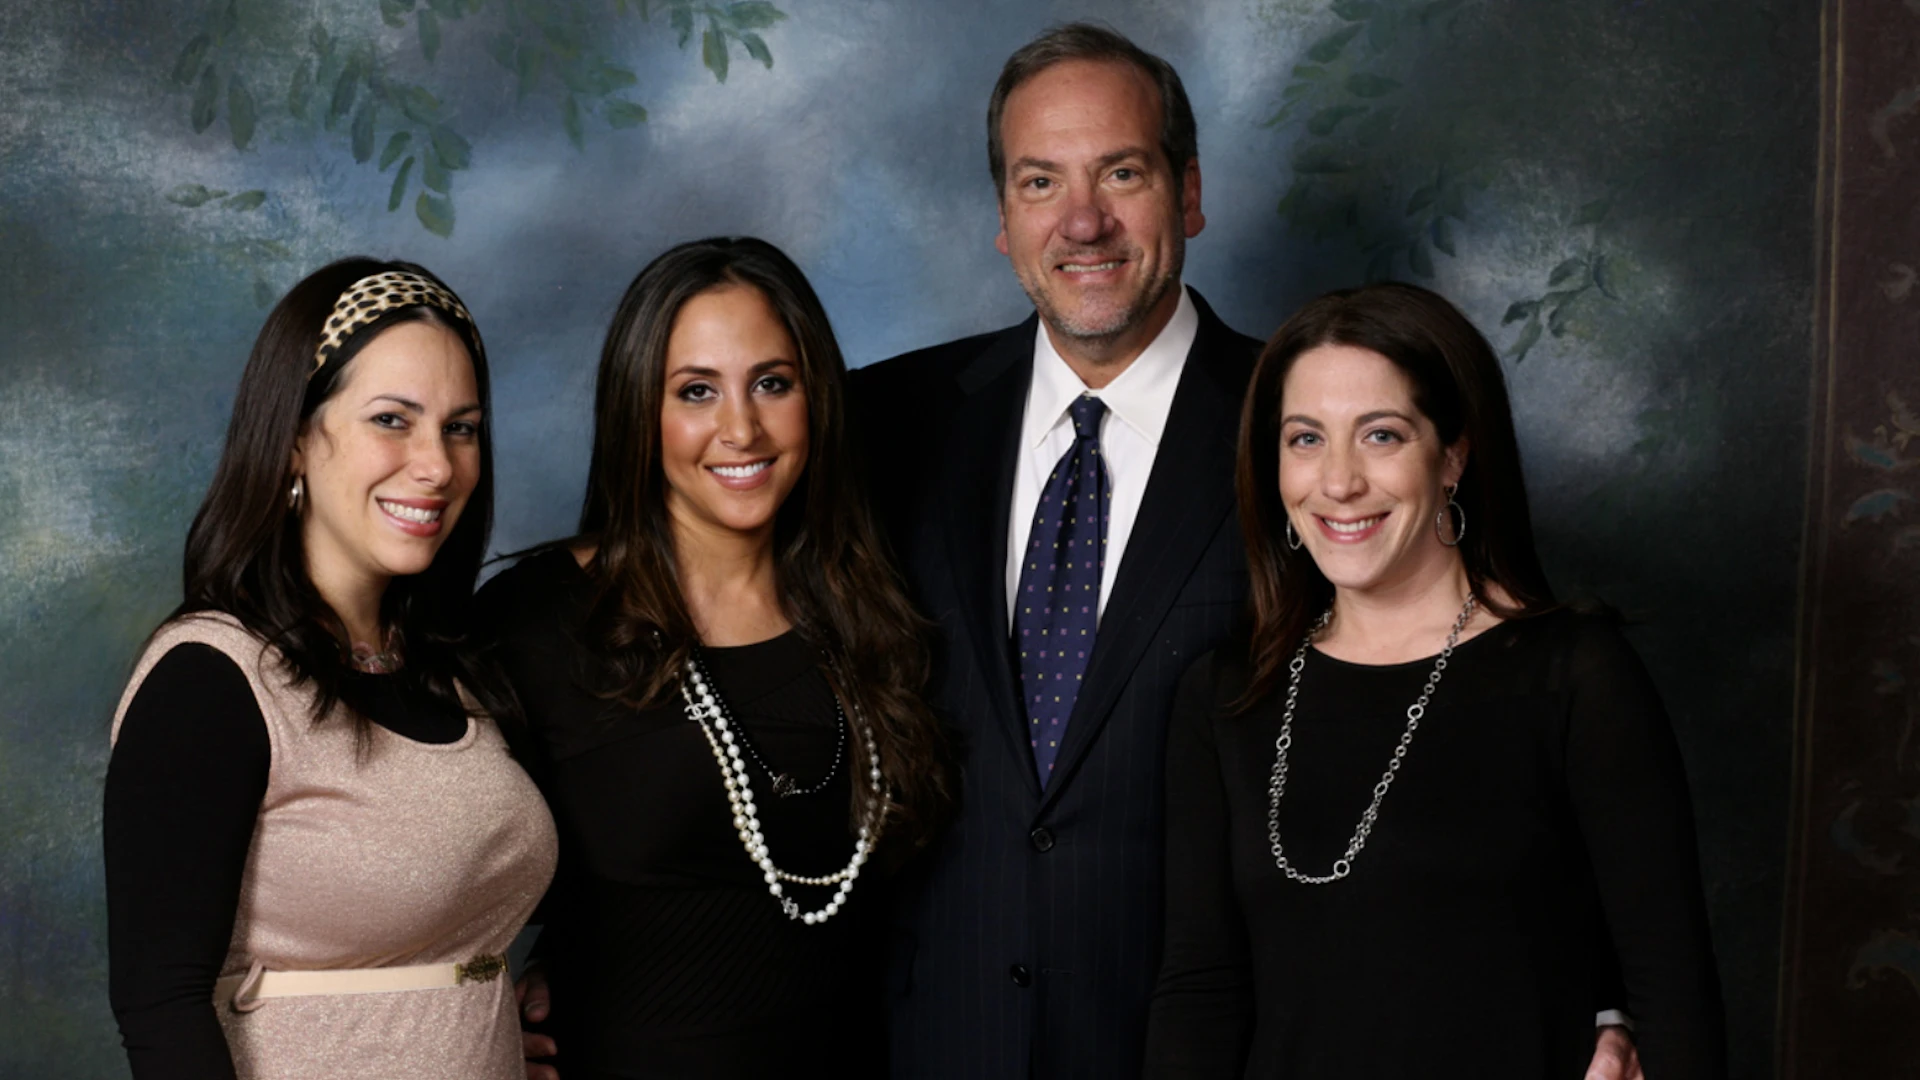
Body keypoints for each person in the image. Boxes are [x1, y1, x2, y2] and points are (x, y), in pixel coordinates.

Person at [850, 22, 1648, 1080]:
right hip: (933, 1039)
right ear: (1004, 215)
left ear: (1188, 192)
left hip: (1229, 1041)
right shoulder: (885, 426)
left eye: (1121, 172)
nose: (1083, 220)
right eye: (1041, 181)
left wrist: (1599, 1000)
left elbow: (1498, 706)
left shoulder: (1312, 430)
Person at [1142, 282, 1727, 1077]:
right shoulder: (1225, 694)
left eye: (1381, 436)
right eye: (1305, 439)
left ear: (1453, 453)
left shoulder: (1574, 674)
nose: (1338, 482)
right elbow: (1200, 991)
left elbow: (1674, 989)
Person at [478, 236, 951, 1080]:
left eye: (773, 383)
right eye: (697, 391)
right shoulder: (540, 624)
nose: (742, 428)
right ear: (638, 412)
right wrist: (471, 1025)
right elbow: (413, 868)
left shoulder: (871, 611)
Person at [103, 259, 558, 1080]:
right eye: (393, 419)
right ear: (294, 440)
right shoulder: (211, 678)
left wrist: (469, 1020)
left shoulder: (450, 667)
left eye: (462, 427)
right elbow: (159, 1005)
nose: (437, 465)